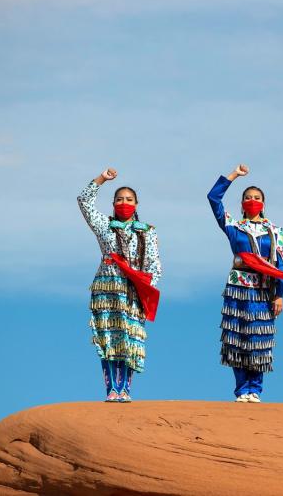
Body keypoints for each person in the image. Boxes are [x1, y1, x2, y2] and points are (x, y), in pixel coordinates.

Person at [207, 164, 283, 403]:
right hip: (238, 287)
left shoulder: (275, 231)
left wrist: (279, 294)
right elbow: (213, 198)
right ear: (241, 204)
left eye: (256, 198)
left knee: (259, 339)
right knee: (237, 338)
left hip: (263, 289)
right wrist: (234, 175)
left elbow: (280, 264)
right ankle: (241, 390)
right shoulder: (233, 226)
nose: (252, 200)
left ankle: (255, 389)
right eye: (247, 198)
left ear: (264, 203)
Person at [78, 168, 162, 402]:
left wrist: (147, 287)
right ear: (113, 203)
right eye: (119, 199)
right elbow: (83, 201)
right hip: (107, 288)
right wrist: (102, 178)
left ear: (136, 204)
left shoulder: (148, 231)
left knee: (130, 339)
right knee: (109, 338)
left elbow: (154, 264)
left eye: (129, 199)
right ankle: (112, 389)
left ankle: (125, 389)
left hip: (134, 290)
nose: (124, 203)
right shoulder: (104, 224)